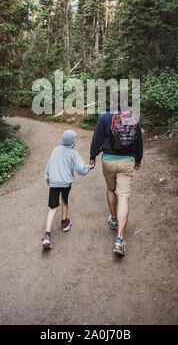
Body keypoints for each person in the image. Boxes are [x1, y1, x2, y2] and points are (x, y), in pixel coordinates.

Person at [89, 103, 143, 256]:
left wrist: (93, 156)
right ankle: (119, 239)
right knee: (124, 196)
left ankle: (113, 219)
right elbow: (139, 141)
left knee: (111, 189)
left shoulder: (104, 117)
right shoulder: (133, 118)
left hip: (108, 161)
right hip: (127, 161)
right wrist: (138, 159)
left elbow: (97, 138)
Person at [42, 129, 93, 250]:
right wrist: (89, 167)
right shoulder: (73, 153)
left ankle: (47, 235)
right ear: (73, 141)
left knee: (53, 207)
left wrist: (47, 177)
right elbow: (81, 170)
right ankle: (64, 223)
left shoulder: (55, 150)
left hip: (54, 182)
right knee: (65, 201)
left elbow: (49, 165)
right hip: (66, 183)